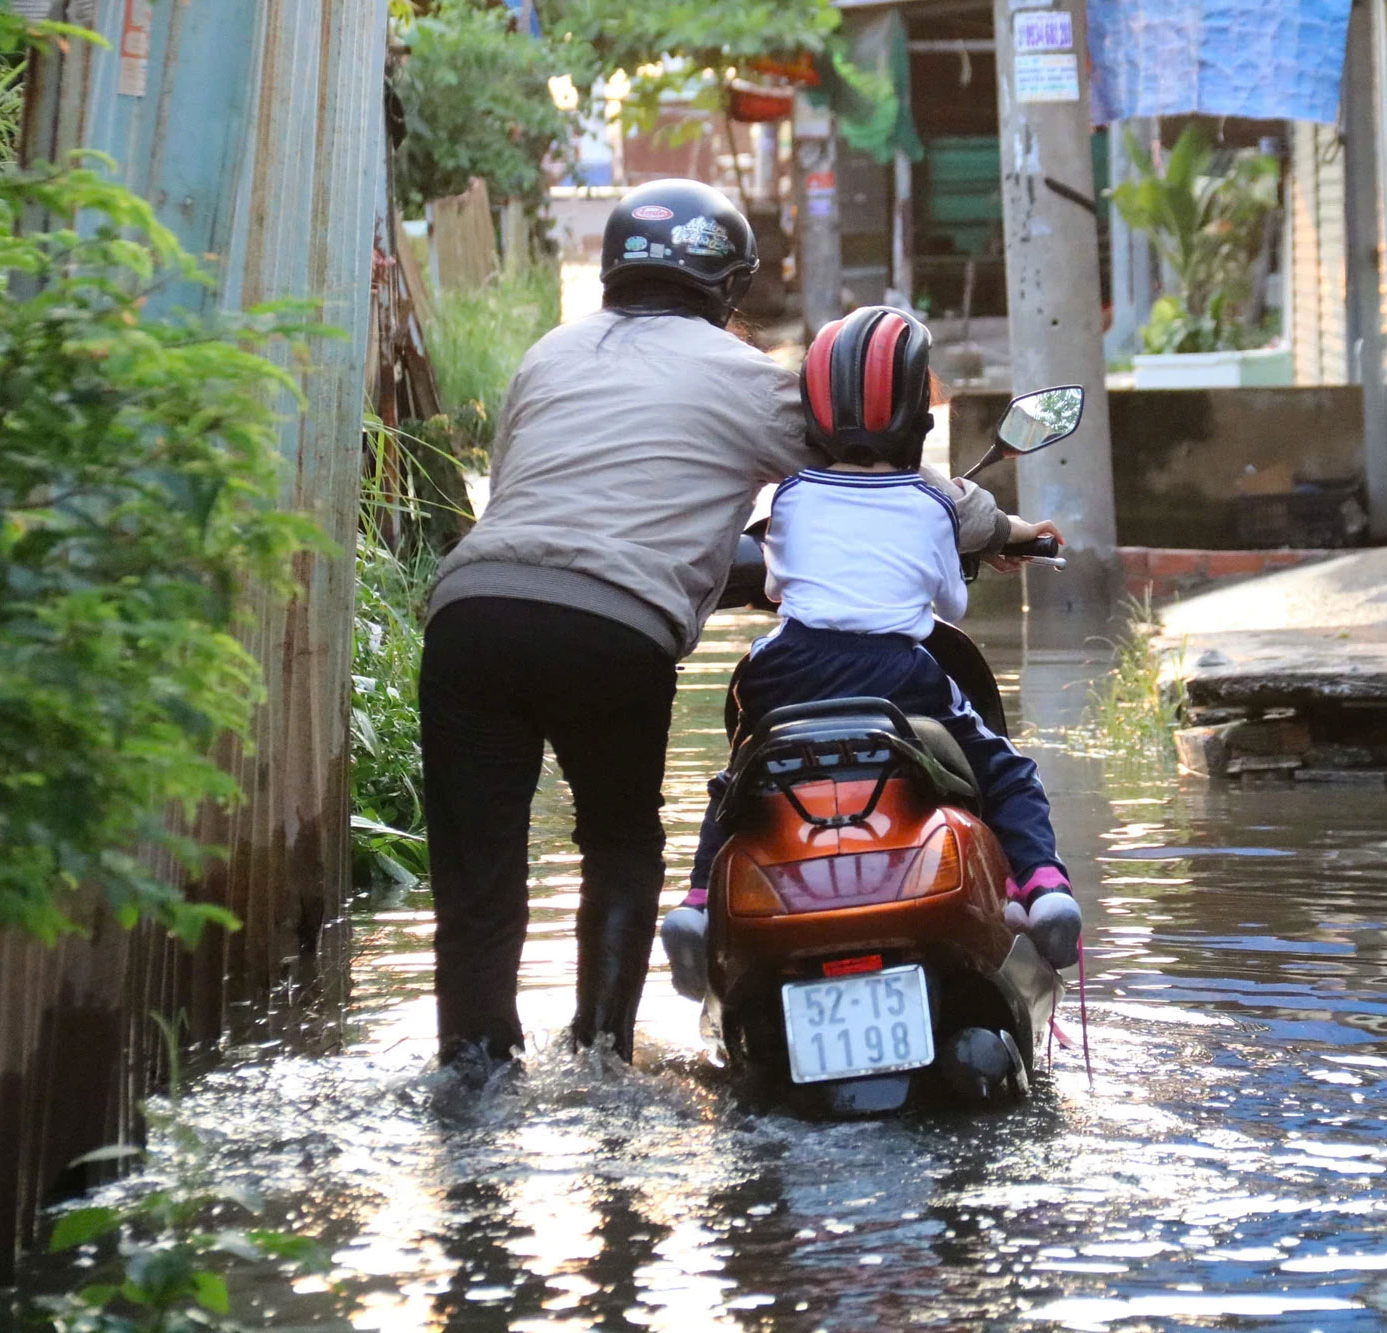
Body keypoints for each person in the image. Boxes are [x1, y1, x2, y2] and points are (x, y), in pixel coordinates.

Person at [419, 181, 1053, 1067]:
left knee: (477, 879)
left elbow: (574, 504)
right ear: (727, 286)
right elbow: (866, 469)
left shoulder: (546, 356)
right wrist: (1003, 530)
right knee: (618, 843)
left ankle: (474, 1067)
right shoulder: (748, 380)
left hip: (470, 617)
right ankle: (599, 1057)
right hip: (611, 632)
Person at [661, 306, 1083, 1001]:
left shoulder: (791, 494)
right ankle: (1044, 891)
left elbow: (775, 584)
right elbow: (949, 607)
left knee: (738, 781)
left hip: (784, 670)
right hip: (898, 675)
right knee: (1008, 773)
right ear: (919, 419)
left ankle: (697, 905)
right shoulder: (932, 503)